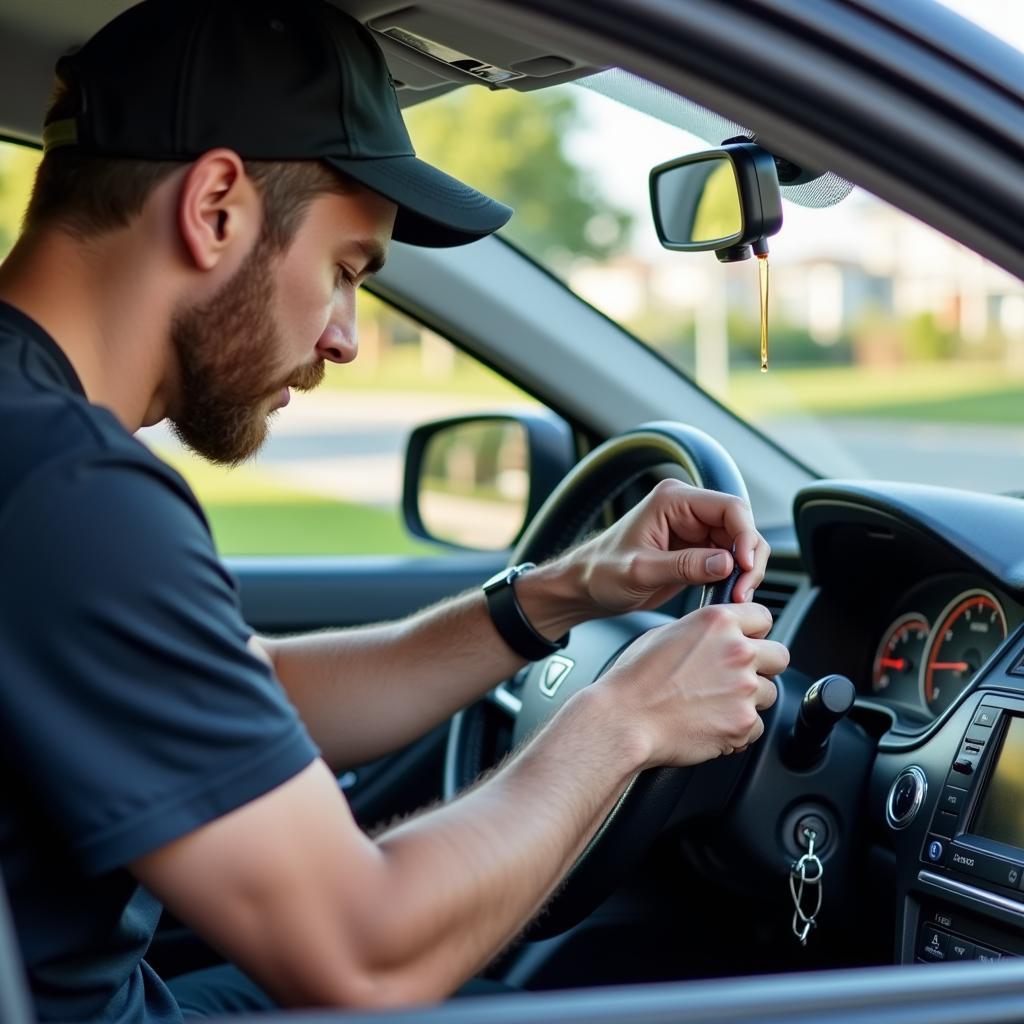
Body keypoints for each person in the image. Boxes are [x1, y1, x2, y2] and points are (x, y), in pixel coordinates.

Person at [0, 0, 787, 1020]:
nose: (346, 338)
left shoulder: (33, 442)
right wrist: (627, 719)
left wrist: (557, 594)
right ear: (216, 208)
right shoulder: (70, 490)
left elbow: (251, 696)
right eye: (344, 272)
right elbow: (362, 958)